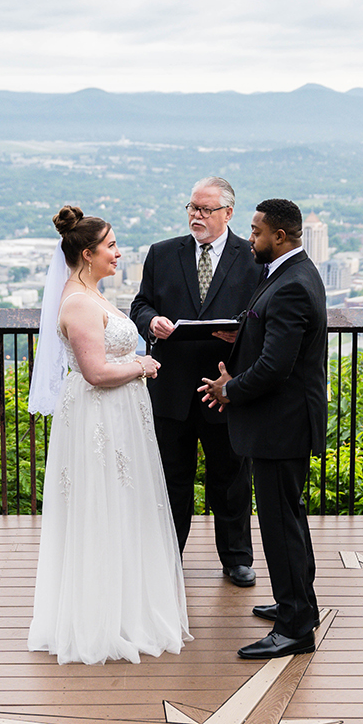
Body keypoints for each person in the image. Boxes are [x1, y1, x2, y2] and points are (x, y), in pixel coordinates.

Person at [26, 205, 190, 665]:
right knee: (102, 505)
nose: (118, 253)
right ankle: (100, 618)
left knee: (123, 506)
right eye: (111, 246)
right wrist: (143, 364)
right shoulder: (78, 302)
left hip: (119, 418)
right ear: (86, 252)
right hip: (99, 419)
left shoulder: (93, 295)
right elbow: (95, 372)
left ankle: (125, 607)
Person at [199, 198, 328, 660]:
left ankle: (295, 627)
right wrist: (243, 332)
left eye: (256, 232)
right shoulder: (291, 272)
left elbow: (276, 366)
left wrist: (229, 390)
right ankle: (299, 605)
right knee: (286, 519)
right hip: (281, 424)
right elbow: (269, 330)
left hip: (282, 426)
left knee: (279, 525)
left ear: (281, 236)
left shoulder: (292, 284)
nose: (250, 239)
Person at [130, 176, 264, 588]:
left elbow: (263, 317)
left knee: (232, 479)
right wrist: (150, 322)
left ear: (228, 213)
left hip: (226, 387)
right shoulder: (162, 253)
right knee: (171, 479)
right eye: (191, 208)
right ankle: (169, 557)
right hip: (171, 389)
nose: (196, 216)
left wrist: (241, 332)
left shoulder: (253, 258)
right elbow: (140, 304)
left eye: (205, 210)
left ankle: (237, 559)